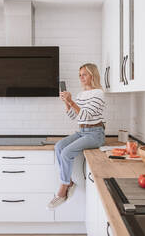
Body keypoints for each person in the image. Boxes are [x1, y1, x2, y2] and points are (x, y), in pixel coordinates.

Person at [47, 63, 106, 209]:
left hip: (95, 134)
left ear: (93, 75)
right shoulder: (81, 94)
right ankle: (69, 182)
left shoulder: (98, 93)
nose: (81, 78)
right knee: (59, 146)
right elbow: (74, 116)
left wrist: (71, 101)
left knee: (67, 153)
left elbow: (86, 114)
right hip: (82, 131)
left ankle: (63, 188)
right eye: (80, 75)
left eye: (84, 74)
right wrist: (67, 103)